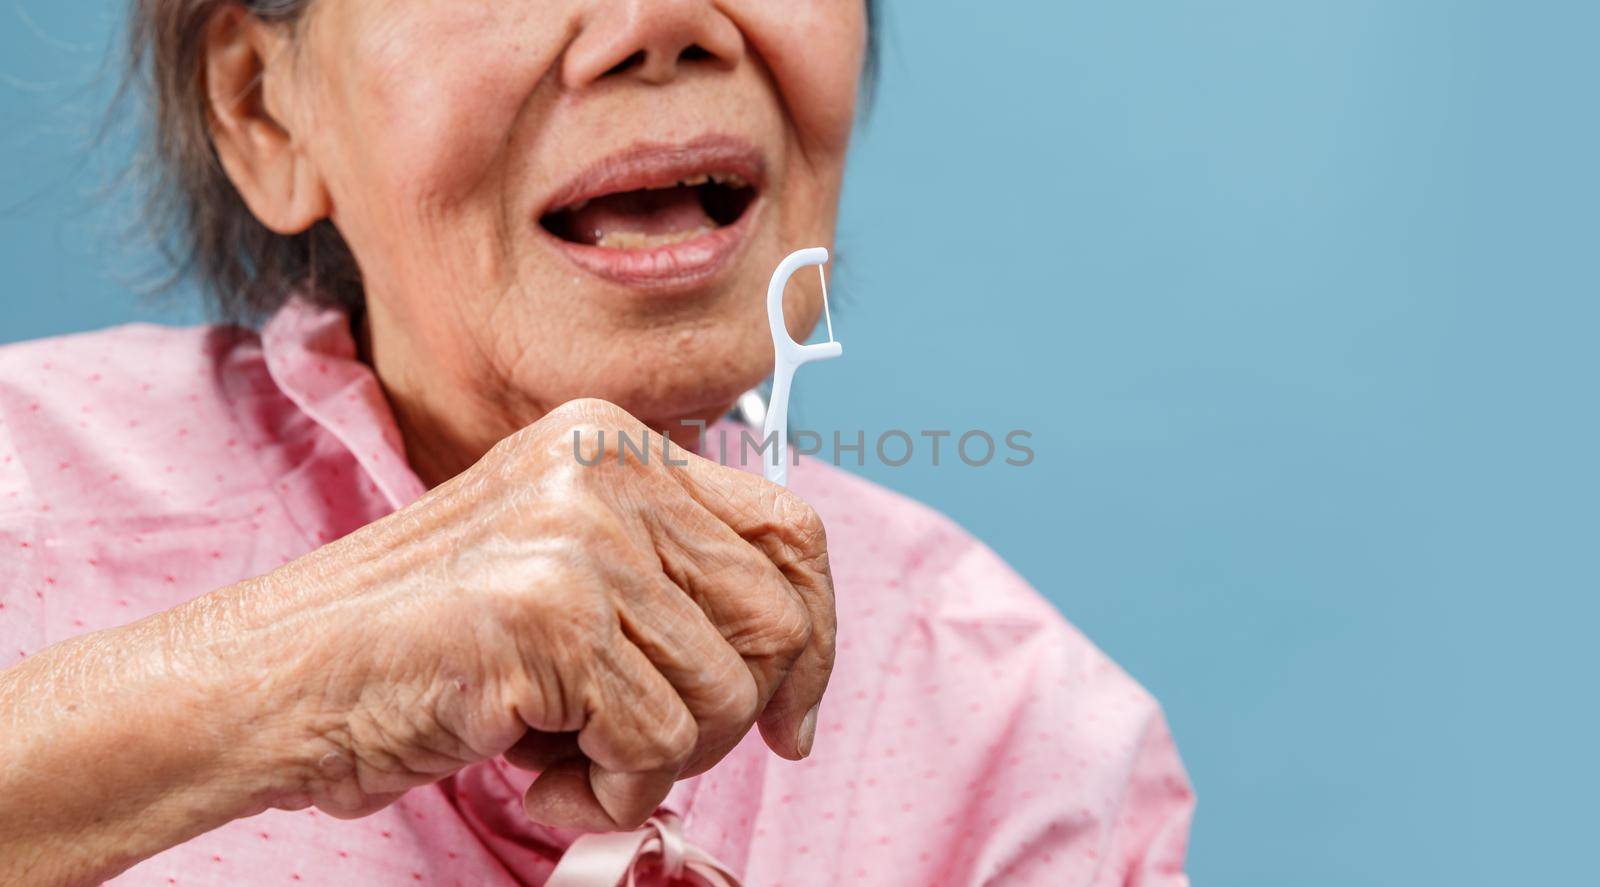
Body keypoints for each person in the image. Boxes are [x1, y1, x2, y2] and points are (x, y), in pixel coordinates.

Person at [0, 1, 1193, 883]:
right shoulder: (25, 497)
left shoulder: (1022, 733)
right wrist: (302, 676)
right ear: (267, 107)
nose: (662, 23)